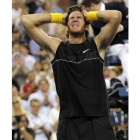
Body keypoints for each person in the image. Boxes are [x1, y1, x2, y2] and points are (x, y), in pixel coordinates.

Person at [21, 4, 122, 140]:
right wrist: (60, 17)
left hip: (98, 121)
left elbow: (116, 16)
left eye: (79, 18)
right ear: (66, 26)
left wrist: (89, 15)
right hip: (69, 122)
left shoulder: (97, 45)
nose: (75, 19)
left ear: (87, 26)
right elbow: (26, 20)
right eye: (72, 18)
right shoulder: (56, 48)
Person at [81, 0, 129, 84]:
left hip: (129, 40)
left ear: (92, 6)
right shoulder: (94, 22)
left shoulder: (115, 5)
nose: (88, 14)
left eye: (87, 11)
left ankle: (121, 80)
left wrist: (120, 27)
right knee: (125, 54)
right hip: (115, 46)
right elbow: (100, 41)